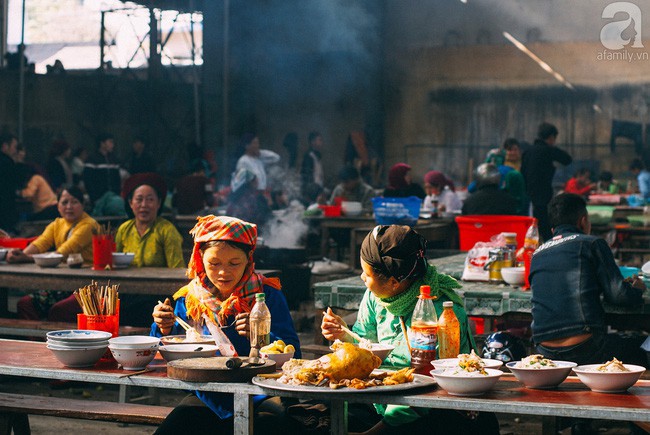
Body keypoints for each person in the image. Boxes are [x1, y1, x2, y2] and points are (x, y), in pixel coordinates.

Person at [321, 225, 498, 434]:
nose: (362, 278)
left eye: (366, 275)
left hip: (434, 407)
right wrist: (344, 335)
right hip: (381, 400)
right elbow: (365, 346)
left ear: (395, 282)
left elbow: (430, 384)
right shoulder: (375, 297)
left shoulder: (443, 313)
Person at [151, 215, 301, 434]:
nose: (223, 272)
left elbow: (293, 352)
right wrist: (163, 328)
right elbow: (167, 348)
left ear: (249, 259)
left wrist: (261, 337)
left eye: (234, 263)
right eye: (214, 263)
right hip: (210, 394)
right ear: (199, 257)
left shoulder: (266, 295)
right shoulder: (190, 298)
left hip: (261, 392)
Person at [530, 193, 647, 366]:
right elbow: (619, 295)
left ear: (553, 228)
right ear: (583, 221)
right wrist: (638, 288)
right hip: (586, 348)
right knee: (643, 345)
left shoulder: (537, 254)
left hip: (545, 351)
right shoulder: (592, 244)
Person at [9, 187, 100, 322]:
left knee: (59, 310)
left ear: (83, 205)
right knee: (25, 304)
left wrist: (25, 258)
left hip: (88, 287)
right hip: (64, 285)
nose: (69, 206)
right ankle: (36, 342)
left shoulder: (89, 225)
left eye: (74, 202)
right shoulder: (57, 224)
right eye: (64, 202)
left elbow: (63, 252)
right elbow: (40, 243)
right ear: (57, 206)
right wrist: (20, 255)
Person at [116, 172, 184, 326]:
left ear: (159, 203)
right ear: (130, 203)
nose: (144, 205)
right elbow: (113, 263)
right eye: (139, 200)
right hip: (126, 293)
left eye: (150, 199)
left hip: (156, 297)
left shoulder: (167, 230)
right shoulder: (124, 230)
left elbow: (178, 270)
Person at [521, 122, 572, 241]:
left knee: (530, 231)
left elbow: (522, 173)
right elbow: (567, 159)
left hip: (528, 197)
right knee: (546, 230)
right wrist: (551, 148)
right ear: (551, 137)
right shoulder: (548, 150)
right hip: (543, 197)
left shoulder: (527, 152)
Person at [83, 133, 122, 205]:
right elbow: (88, 180)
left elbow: (117, 180)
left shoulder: (114, 160)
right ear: (102, 143)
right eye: (110, 142)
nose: (112, 145)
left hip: (113, 198)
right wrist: (94, 197)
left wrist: (117, 194)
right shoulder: (92, 159)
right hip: (98, 198)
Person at [0, 133, 19, 233]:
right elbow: (13, 184)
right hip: (5, 206)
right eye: (14, 147)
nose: (16, 150)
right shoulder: (7, 162)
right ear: (5, 146)